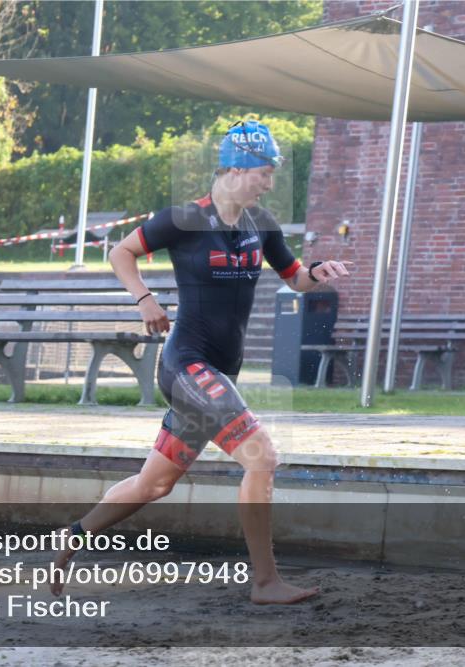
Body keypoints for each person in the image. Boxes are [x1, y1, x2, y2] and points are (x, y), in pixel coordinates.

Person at [52, 120, 349, 604]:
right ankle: (266, 582)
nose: (270, 183)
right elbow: (120, 252)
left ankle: (71, 537)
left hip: (217, 375)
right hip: (186, 365)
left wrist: (319, 272)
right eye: (265, 173)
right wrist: (144, 300)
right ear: (235, 167)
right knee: (263, 457)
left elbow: (294, 277)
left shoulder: (262, 225)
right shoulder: (183, 219)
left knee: (154, 484)